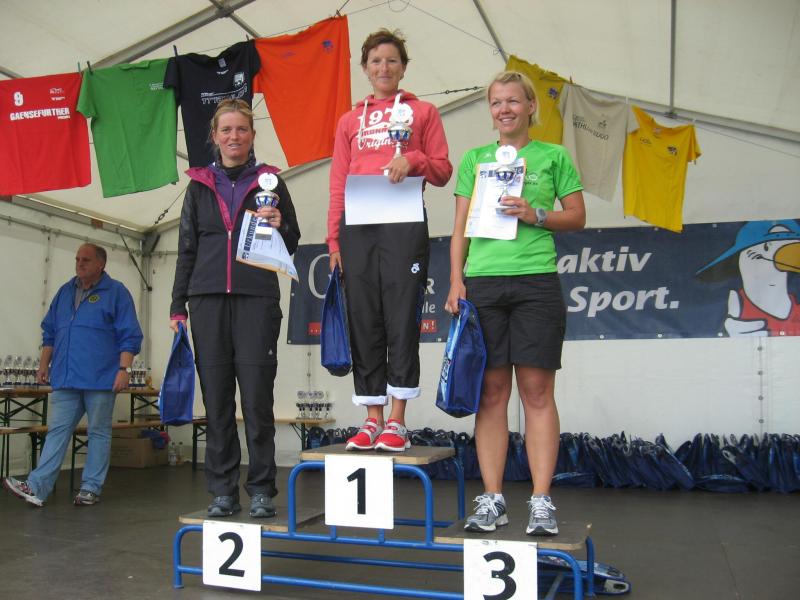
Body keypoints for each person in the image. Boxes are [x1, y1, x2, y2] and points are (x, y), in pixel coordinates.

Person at [445, 71, 586, 536]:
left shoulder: (553, 155)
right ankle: (493, 500)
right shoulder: (475, 159)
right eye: (496, 102)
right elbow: (460, 227)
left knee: (537, 392)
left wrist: (535, 213)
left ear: (530, 106)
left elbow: (577, 216)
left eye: (512, 101)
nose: (504, 109)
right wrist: (456, 281)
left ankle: (541, 502)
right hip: (483, 284)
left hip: (535, 283)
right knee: (491, 393)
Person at [169, 99, 301, 518]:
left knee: (258, 400)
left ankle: (261, 489)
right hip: (206, 300)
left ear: (252, 135)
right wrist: (177, 305)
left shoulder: (271, 183)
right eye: (226, 130)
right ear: (214, 136)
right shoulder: (198, 185)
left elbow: (292, 240)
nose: (233, 136)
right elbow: (187, 247)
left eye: (241, 129)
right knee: (217, 402)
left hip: (256, 301)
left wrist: (280, 224)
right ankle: (222, 491)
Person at [327, 28, 452, 452]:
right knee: (364, 318)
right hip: (358, 226)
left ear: (403, 67)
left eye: (392, 60)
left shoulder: (423, 112)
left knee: (401, 317)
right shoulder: (349, 120)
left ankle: (397, 419)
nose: (384, 67)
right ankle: (371, 418)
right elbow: (338, 182)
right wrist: (333, 240)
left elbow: (442, 169)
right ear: (365, 68)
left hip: (403, 222)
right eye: (376, 61)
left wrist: (412, 159)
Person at [3, 243, 143, 507]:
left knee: (98, 433)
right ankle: (37, 487)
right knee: (57, 431)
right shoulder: (65, 291)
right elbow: (50, 332)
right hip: (66, 377)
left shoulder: (116, 292)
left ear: (101, 264)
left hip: (100, 378)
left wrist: (124, 370)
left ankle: (90, 488)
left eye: (86, 260)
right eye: (77, 259)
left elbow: (130, 335)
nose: (79, 263)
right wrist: (43, 365)